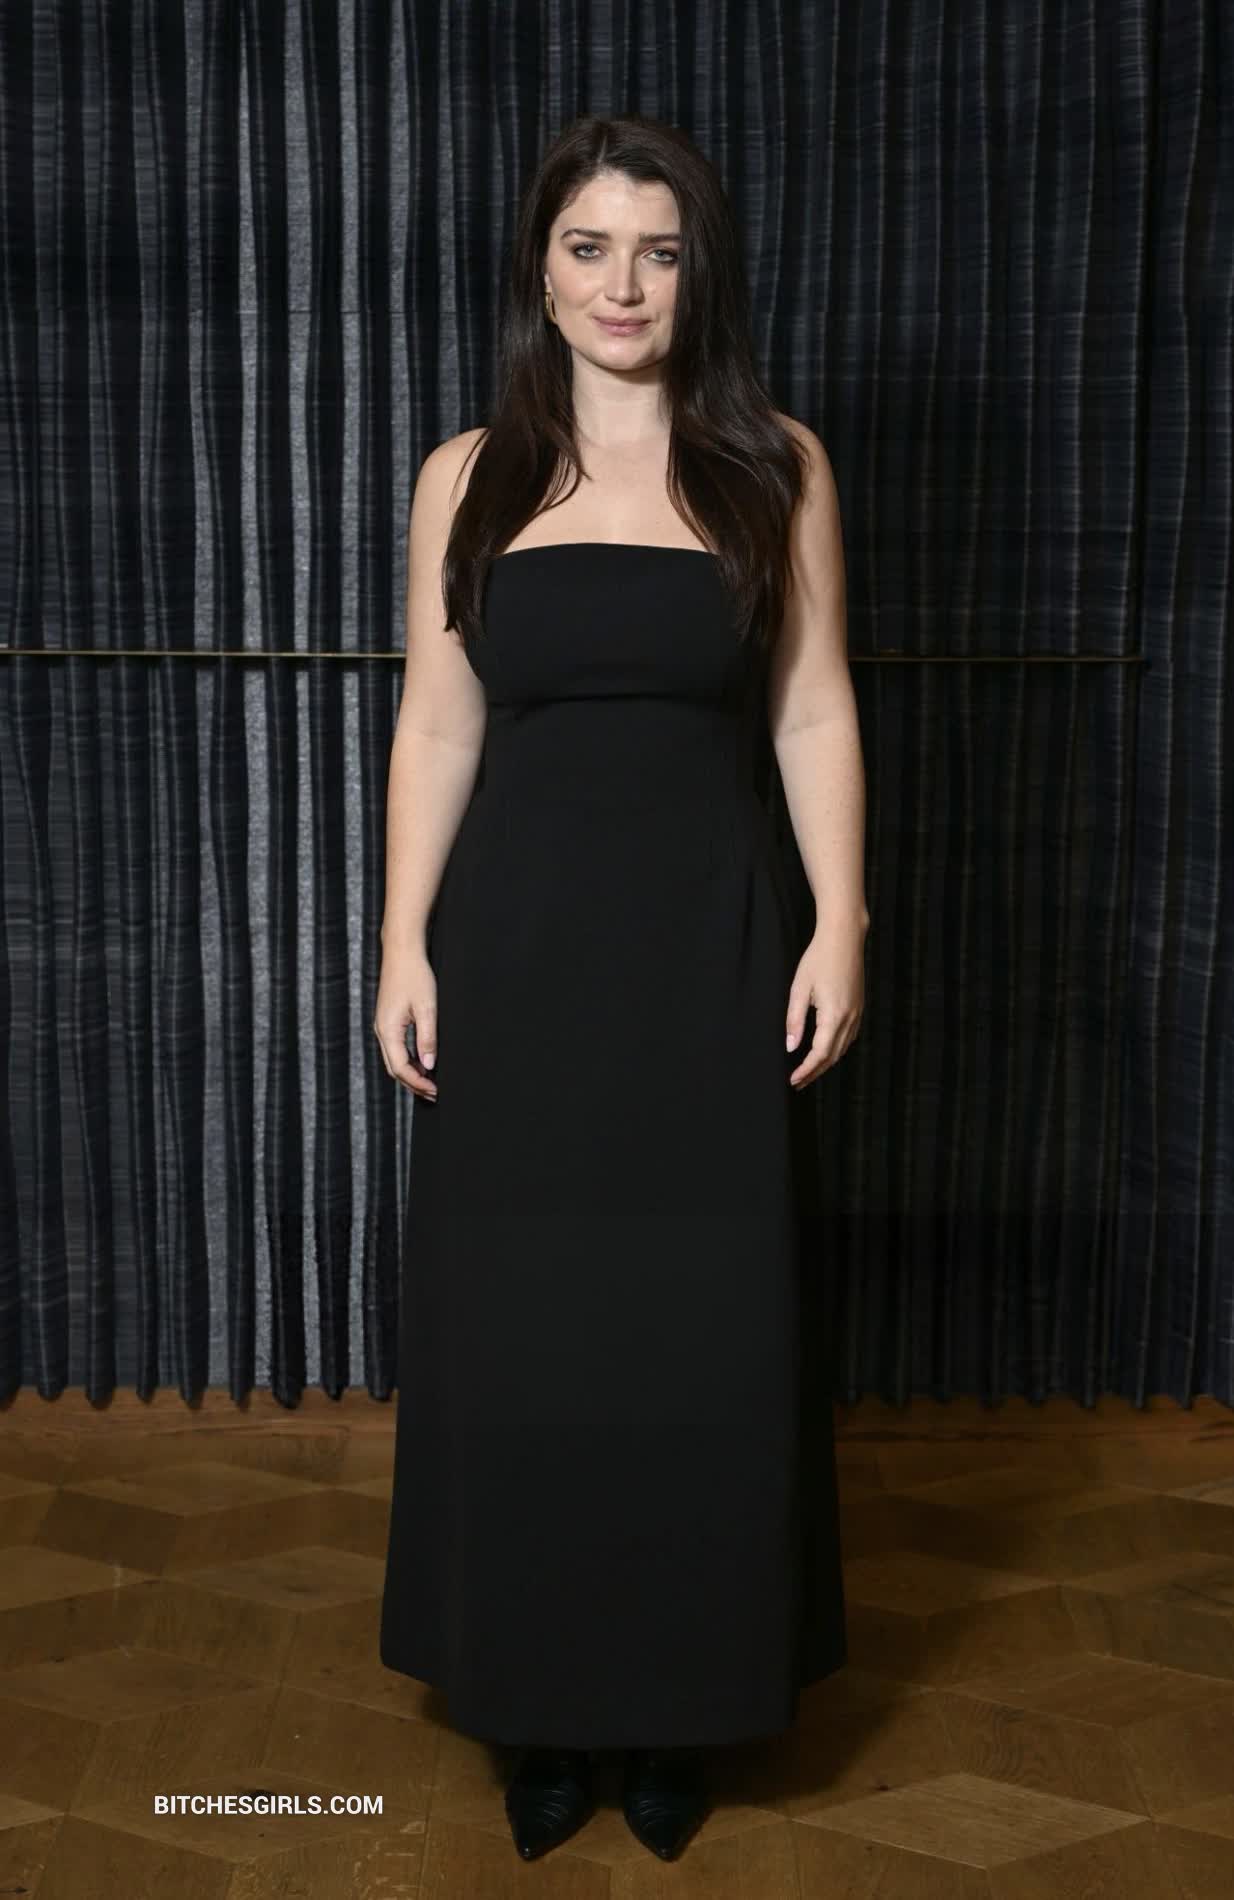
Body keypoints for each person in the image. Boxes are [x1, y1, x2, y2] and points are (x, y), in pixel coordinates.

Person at [374, 112, 867, 1864]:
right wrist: (400, 943)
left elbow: (811, 707)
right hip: (519, 957)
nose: (623, 285)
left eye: (657, 251)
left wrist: (839, 923)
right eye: (590, 248)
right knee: (529, 1330)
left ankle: (678, 1712)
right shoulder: (467, 476)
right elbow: (438, 725)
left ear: (695, 271)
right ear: (542, 268)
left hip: (709, 949)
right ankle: (539, 1711)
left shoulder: (774, 466)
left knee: (699, 1329)